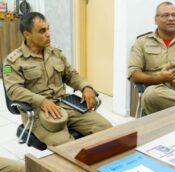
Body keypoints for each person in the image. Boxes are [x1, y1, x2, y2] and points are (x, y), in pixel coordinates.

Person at [2, 12, 112, 146]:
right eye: (42, 31)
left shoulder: (55, 53)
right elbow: (13, 90)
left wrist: (85, 86)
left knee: (107, 130)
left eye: (48, 29)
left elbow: (71, 74)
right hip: (39, 112)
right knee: (69, 148)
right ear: (27, 35)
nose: (48, 34)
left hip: (66, 104)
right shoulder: (13, 61)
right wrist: (41, 101)